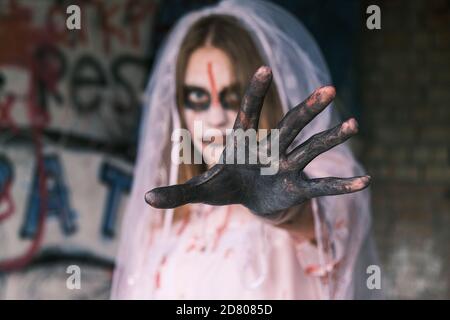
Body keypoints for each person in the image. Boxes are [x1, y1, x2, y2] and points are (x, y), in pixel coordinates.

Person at [112, 0, 381, 299]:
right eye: (198, 98)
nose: (215, 119)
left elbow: (325, 230)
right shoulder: (168, 220)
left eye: (233, 98)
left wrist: (288, 212)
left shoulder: (317, 180)